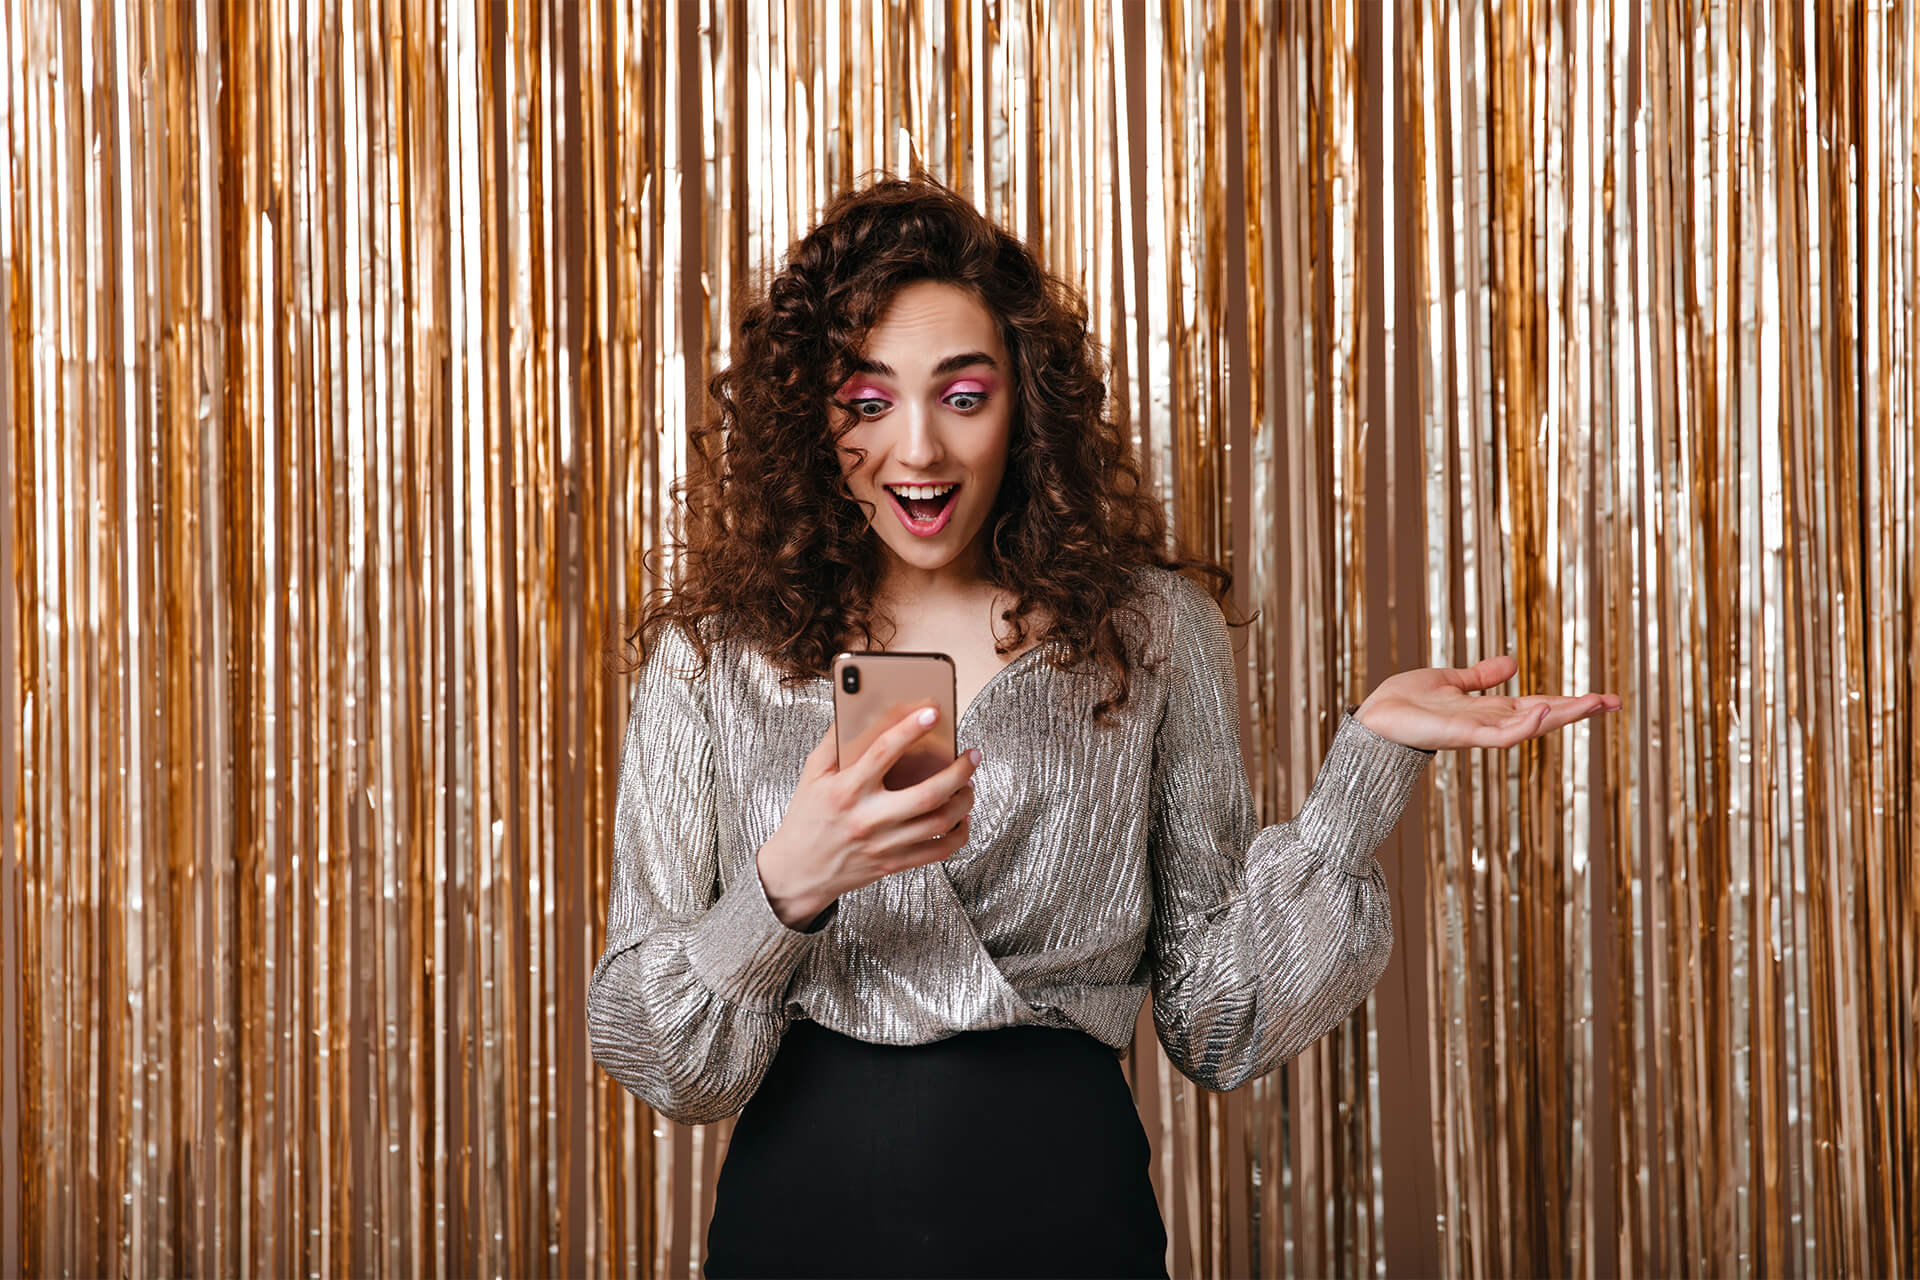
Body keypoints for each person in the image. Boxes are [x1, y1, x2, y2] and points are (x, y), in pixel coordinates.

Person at [587, 175, 1621, 1278]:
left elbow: (1216, 1019)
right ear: (815, 413)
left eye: (964, 394)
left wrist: (1364, 768)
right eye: (870, 399)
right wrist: (786, 885)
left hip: (1068, 1224)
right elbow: (660, 1058)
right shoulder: (712, 659)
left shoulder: (1150, 629)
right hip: (801, 1227)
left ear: (1023, 406)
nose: (920, 448)